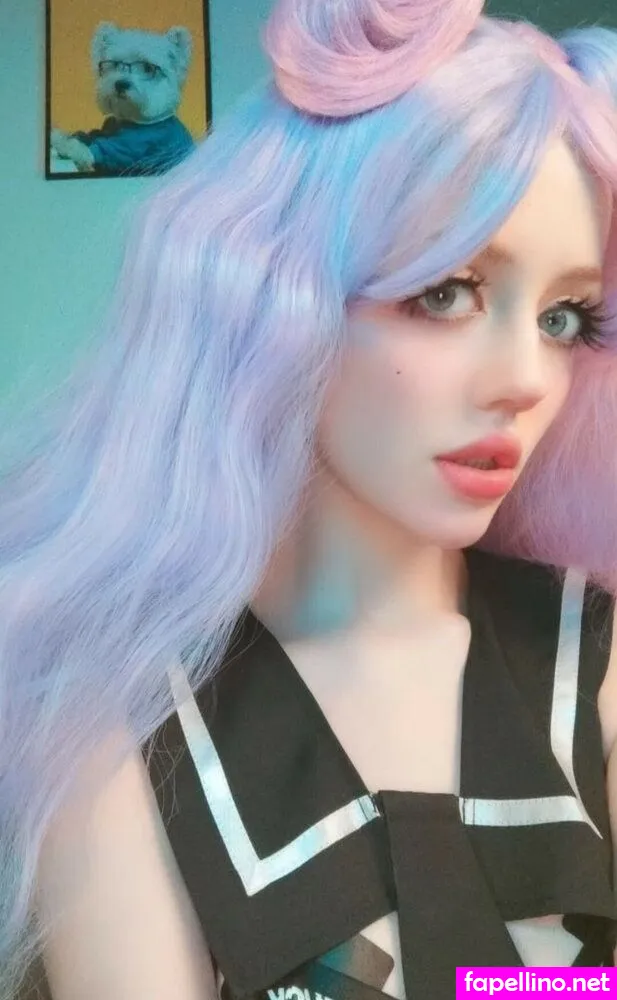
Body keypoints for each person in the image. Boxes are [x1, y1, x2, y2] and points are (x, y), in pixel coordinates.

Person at [2, 1, 617, 998]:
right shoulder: (120, 734)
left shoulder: (592, 661)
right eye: (444, 292)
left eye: (562, 316)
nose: (522, 379)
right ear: (274, 296)